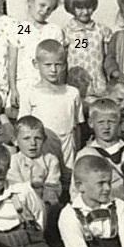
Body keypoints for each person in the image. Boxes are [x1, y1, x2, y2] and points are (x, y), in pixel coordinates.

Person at [18, 39, 84, 171]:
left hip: (67, 153)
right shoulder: (29, 93)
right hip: (42, 154)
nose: (53, 70)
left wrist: (77, 152)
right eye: (47, 65)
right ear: (36, 64)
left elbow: (77, 127)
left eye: (58, 64)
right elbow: (23, 128)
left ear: (64, 65)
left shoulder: (72, 93)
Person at [8, 0, 66, 109]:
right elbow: (12, 61)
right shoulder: (21, 28)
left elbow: (61, 63)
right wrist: (13, 89)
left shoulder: (54, 30)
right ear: (30, 2)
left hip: (48, 86)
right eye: (42, 5)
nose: (45, 11)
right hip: (23, 85)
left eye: (49, 9)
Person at [73, 98, 124, 200]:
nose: (106, 127)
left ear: (119, 123)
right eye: (101, 122)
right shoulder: (85, 154)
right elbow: (76, 190)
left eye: (111, 122)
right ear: (91, 123)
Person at [62, 0, 112, 102]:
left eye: (88, 7)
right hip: (76, 87)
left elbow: (108, 56)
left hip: (99, 86)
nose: (85, 12)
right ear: (71, 7)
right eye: (80, 8)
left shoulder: (102, 30)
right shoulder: (66, 31)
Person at [7, 116, 62, 206]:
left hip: (45, 203)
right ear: (15, 141)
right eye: (26, 138)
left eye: (38, 138)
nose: (33, 143)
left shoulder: (51, 160)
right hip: (22, 202)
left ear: (44, 139)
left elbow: (52, 186)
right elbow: (17, 186)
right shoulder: (14, 160)